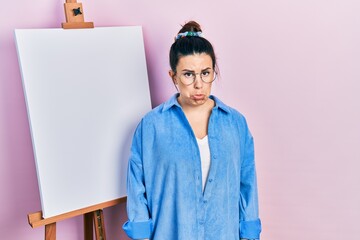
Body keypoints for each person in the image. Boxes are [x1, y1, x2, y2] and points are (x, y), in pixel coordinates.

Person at [122, 21, 261, 240]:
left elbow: (248, 185)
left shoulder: (236, 124)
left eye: (206, 73)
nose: (198, 84)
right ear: (173, 76)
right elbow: (137, 188)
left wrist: (250, 234)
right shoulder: (152, 126)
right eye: (188, 74)